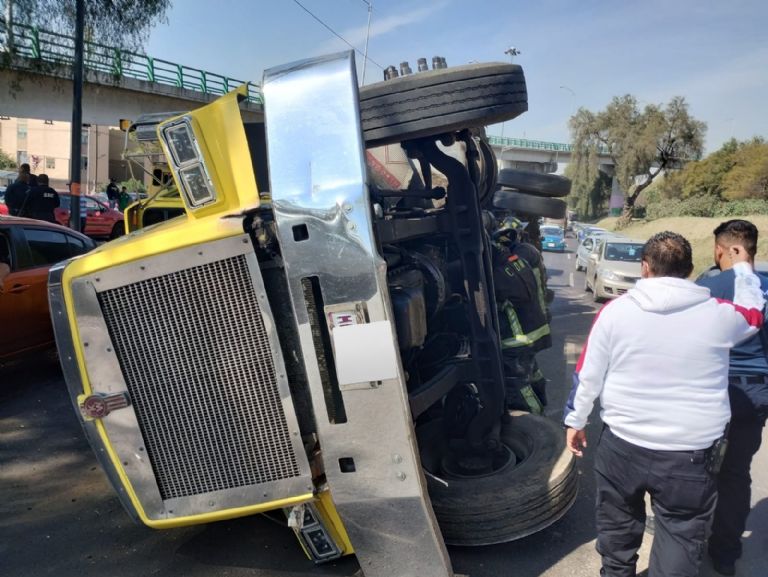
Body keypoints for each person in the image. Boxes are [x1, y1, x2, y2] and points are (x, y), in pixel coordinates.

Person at [563, 231, 765, 577]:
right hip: (690, 455)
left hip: (622, 445)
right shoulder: (719, 316)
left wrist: (575, 420)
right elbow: (753, 313)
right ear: (688, 270)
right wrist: (744, 269)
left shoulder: (615, 312)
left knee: (617, 529)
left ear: (644, 268)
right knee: (681, 537)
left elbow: (588, 374)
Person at [696, 220, 768, 576]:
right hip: (755, 393)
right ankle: (725, 554)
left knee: (696, 468)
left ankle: (687, 543)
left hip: (712, 390)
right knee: (736, 473)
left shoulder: (708, 287)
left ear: (720, 250)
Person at [493, 216, 552, 412]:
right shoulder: (522, 258)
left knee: (518, 385)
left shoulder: (509, 267)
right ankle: (541, 400)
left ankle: (536, 417)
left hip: (519, 337)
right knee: (532, 371)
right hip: (535, 325)